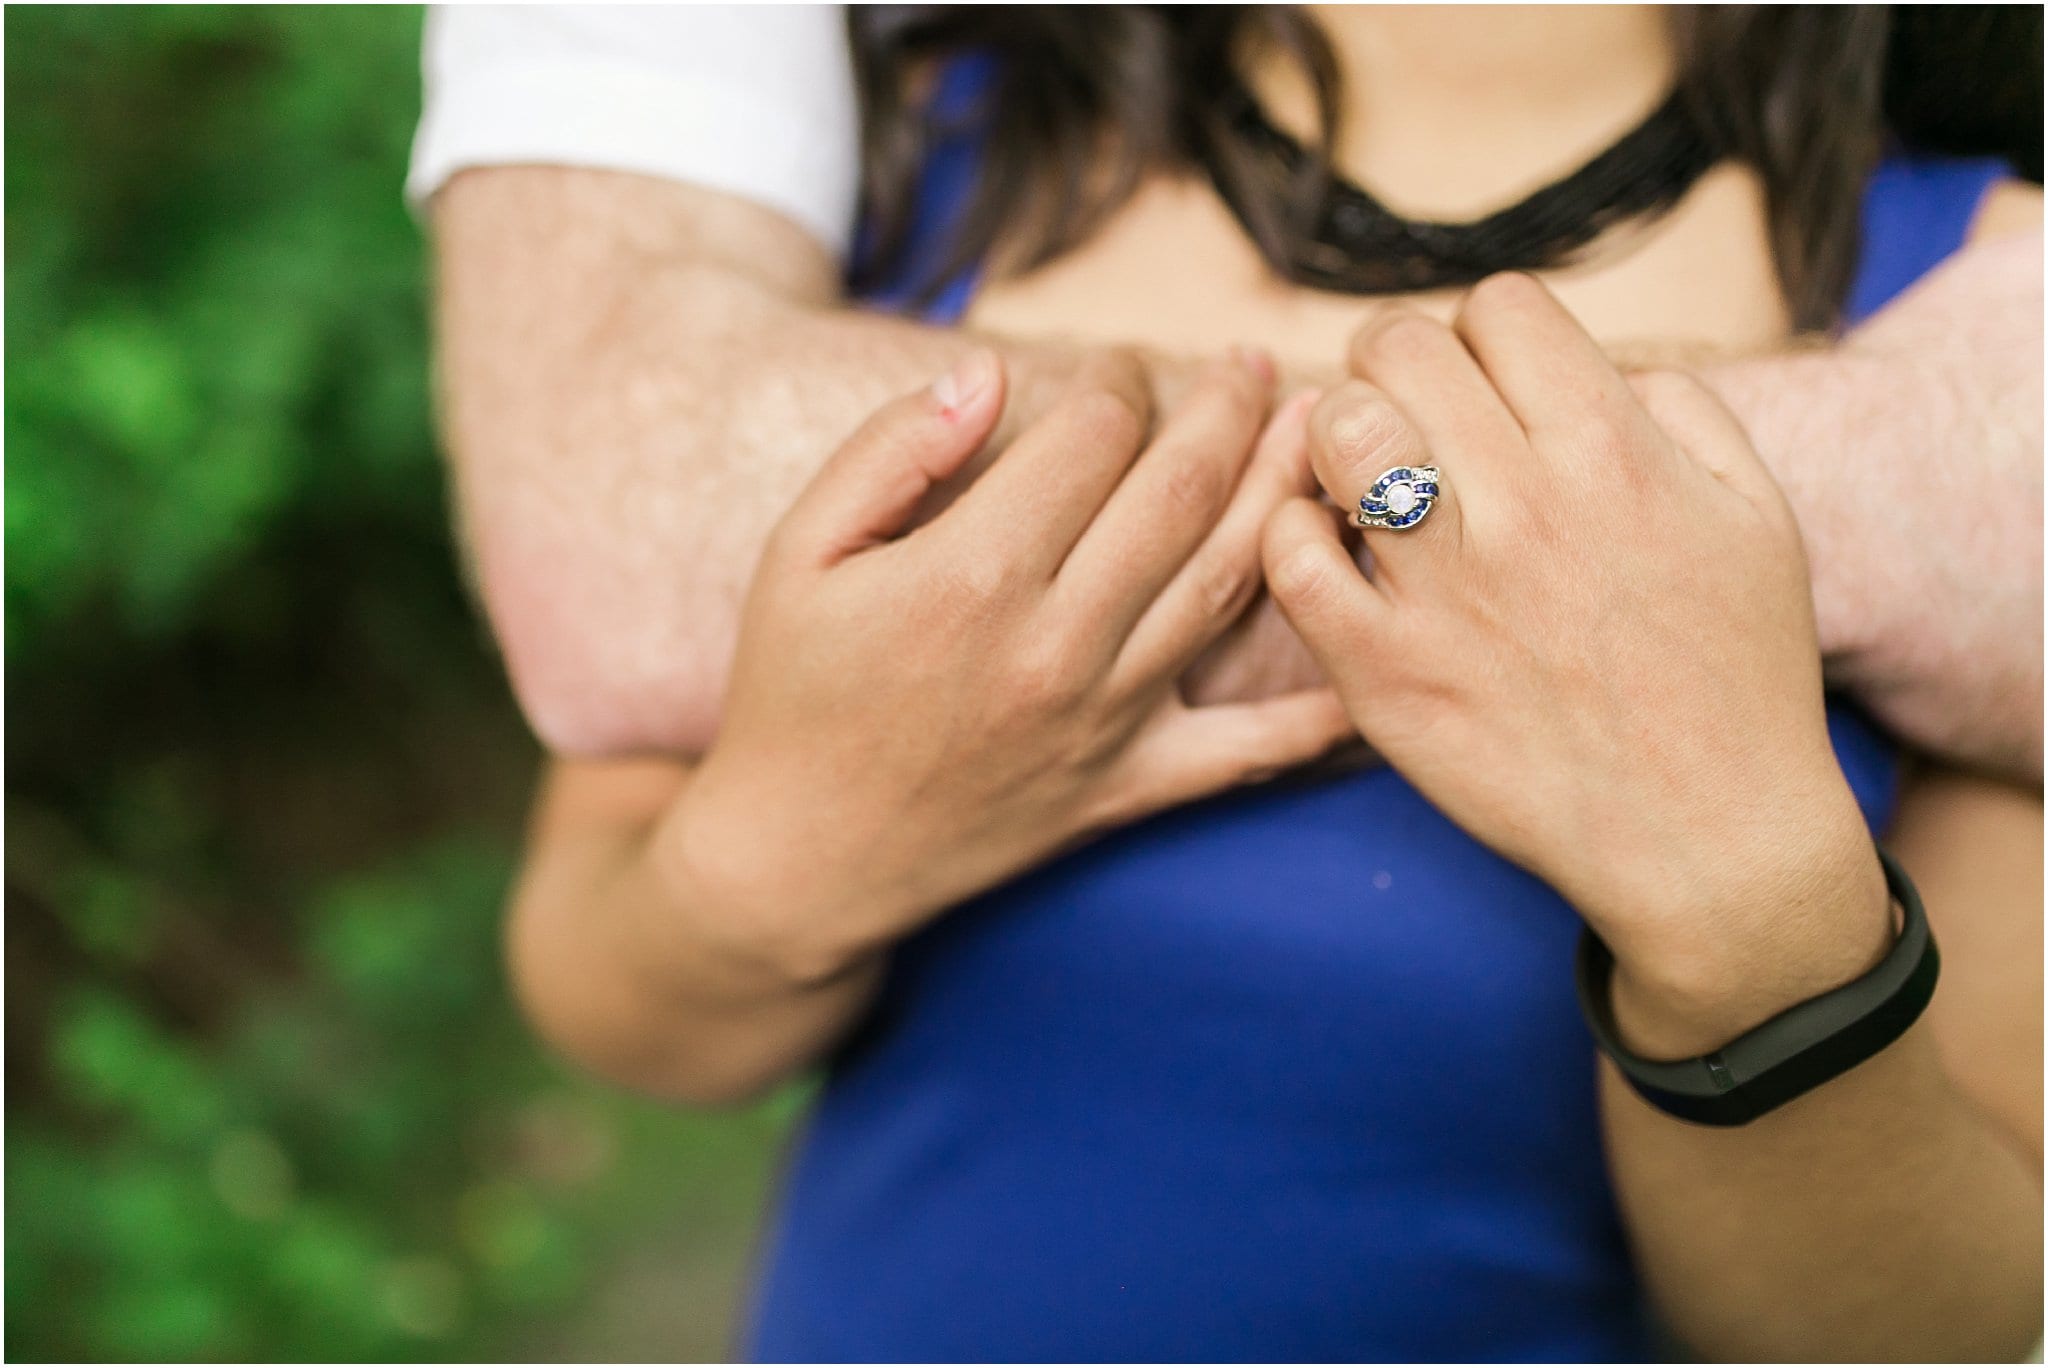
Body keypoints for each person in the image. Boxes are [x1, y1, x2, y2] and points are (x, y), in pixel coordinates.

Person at [416, 6, 2044, 1360]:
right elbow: (609, 995)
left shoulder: (1979, 312)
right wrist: (803, 852)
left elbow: (1953, 1326)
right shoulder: (918, 169)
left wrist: (1744, 925)